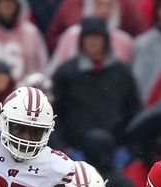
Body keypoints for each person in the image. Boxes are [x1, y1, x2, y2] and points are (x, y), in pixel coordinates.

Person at [51, 16, 141, 153]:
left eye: (97, 37)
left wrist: (127, 147)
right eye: (88, 37)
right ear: (81, 40)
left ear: (106, 40)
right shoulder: (66, 73)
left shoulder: (122, 73)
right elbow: (57, 113)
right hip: (75, 150)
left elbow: (132, 110)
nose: (93, 41)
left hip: (115, 151)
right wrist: (62, 147)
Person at [47, 0, 135, 77]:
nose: (104, 10)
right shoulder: (71, 36)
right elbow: (55, 72)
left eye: (108, 5)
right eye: (99, 4)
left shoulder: (125, 41)